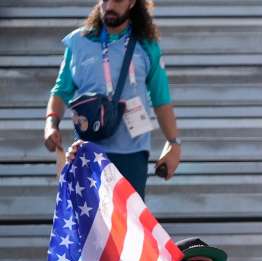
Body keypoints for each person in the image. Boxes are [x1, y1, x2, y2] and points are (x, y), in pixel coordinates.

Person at [45, 0, 181, 198]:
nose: (109, 6)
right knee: (90, 226)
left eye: (117, 0)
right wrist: (51, 124)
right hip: (87, 151)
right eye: (105, 0)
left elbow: (161, 100)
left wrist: (174, 144)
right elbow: (61, 90)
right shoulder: (78, 42)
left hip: (132, 155)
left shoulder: (147, 45)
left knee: (129, 226)